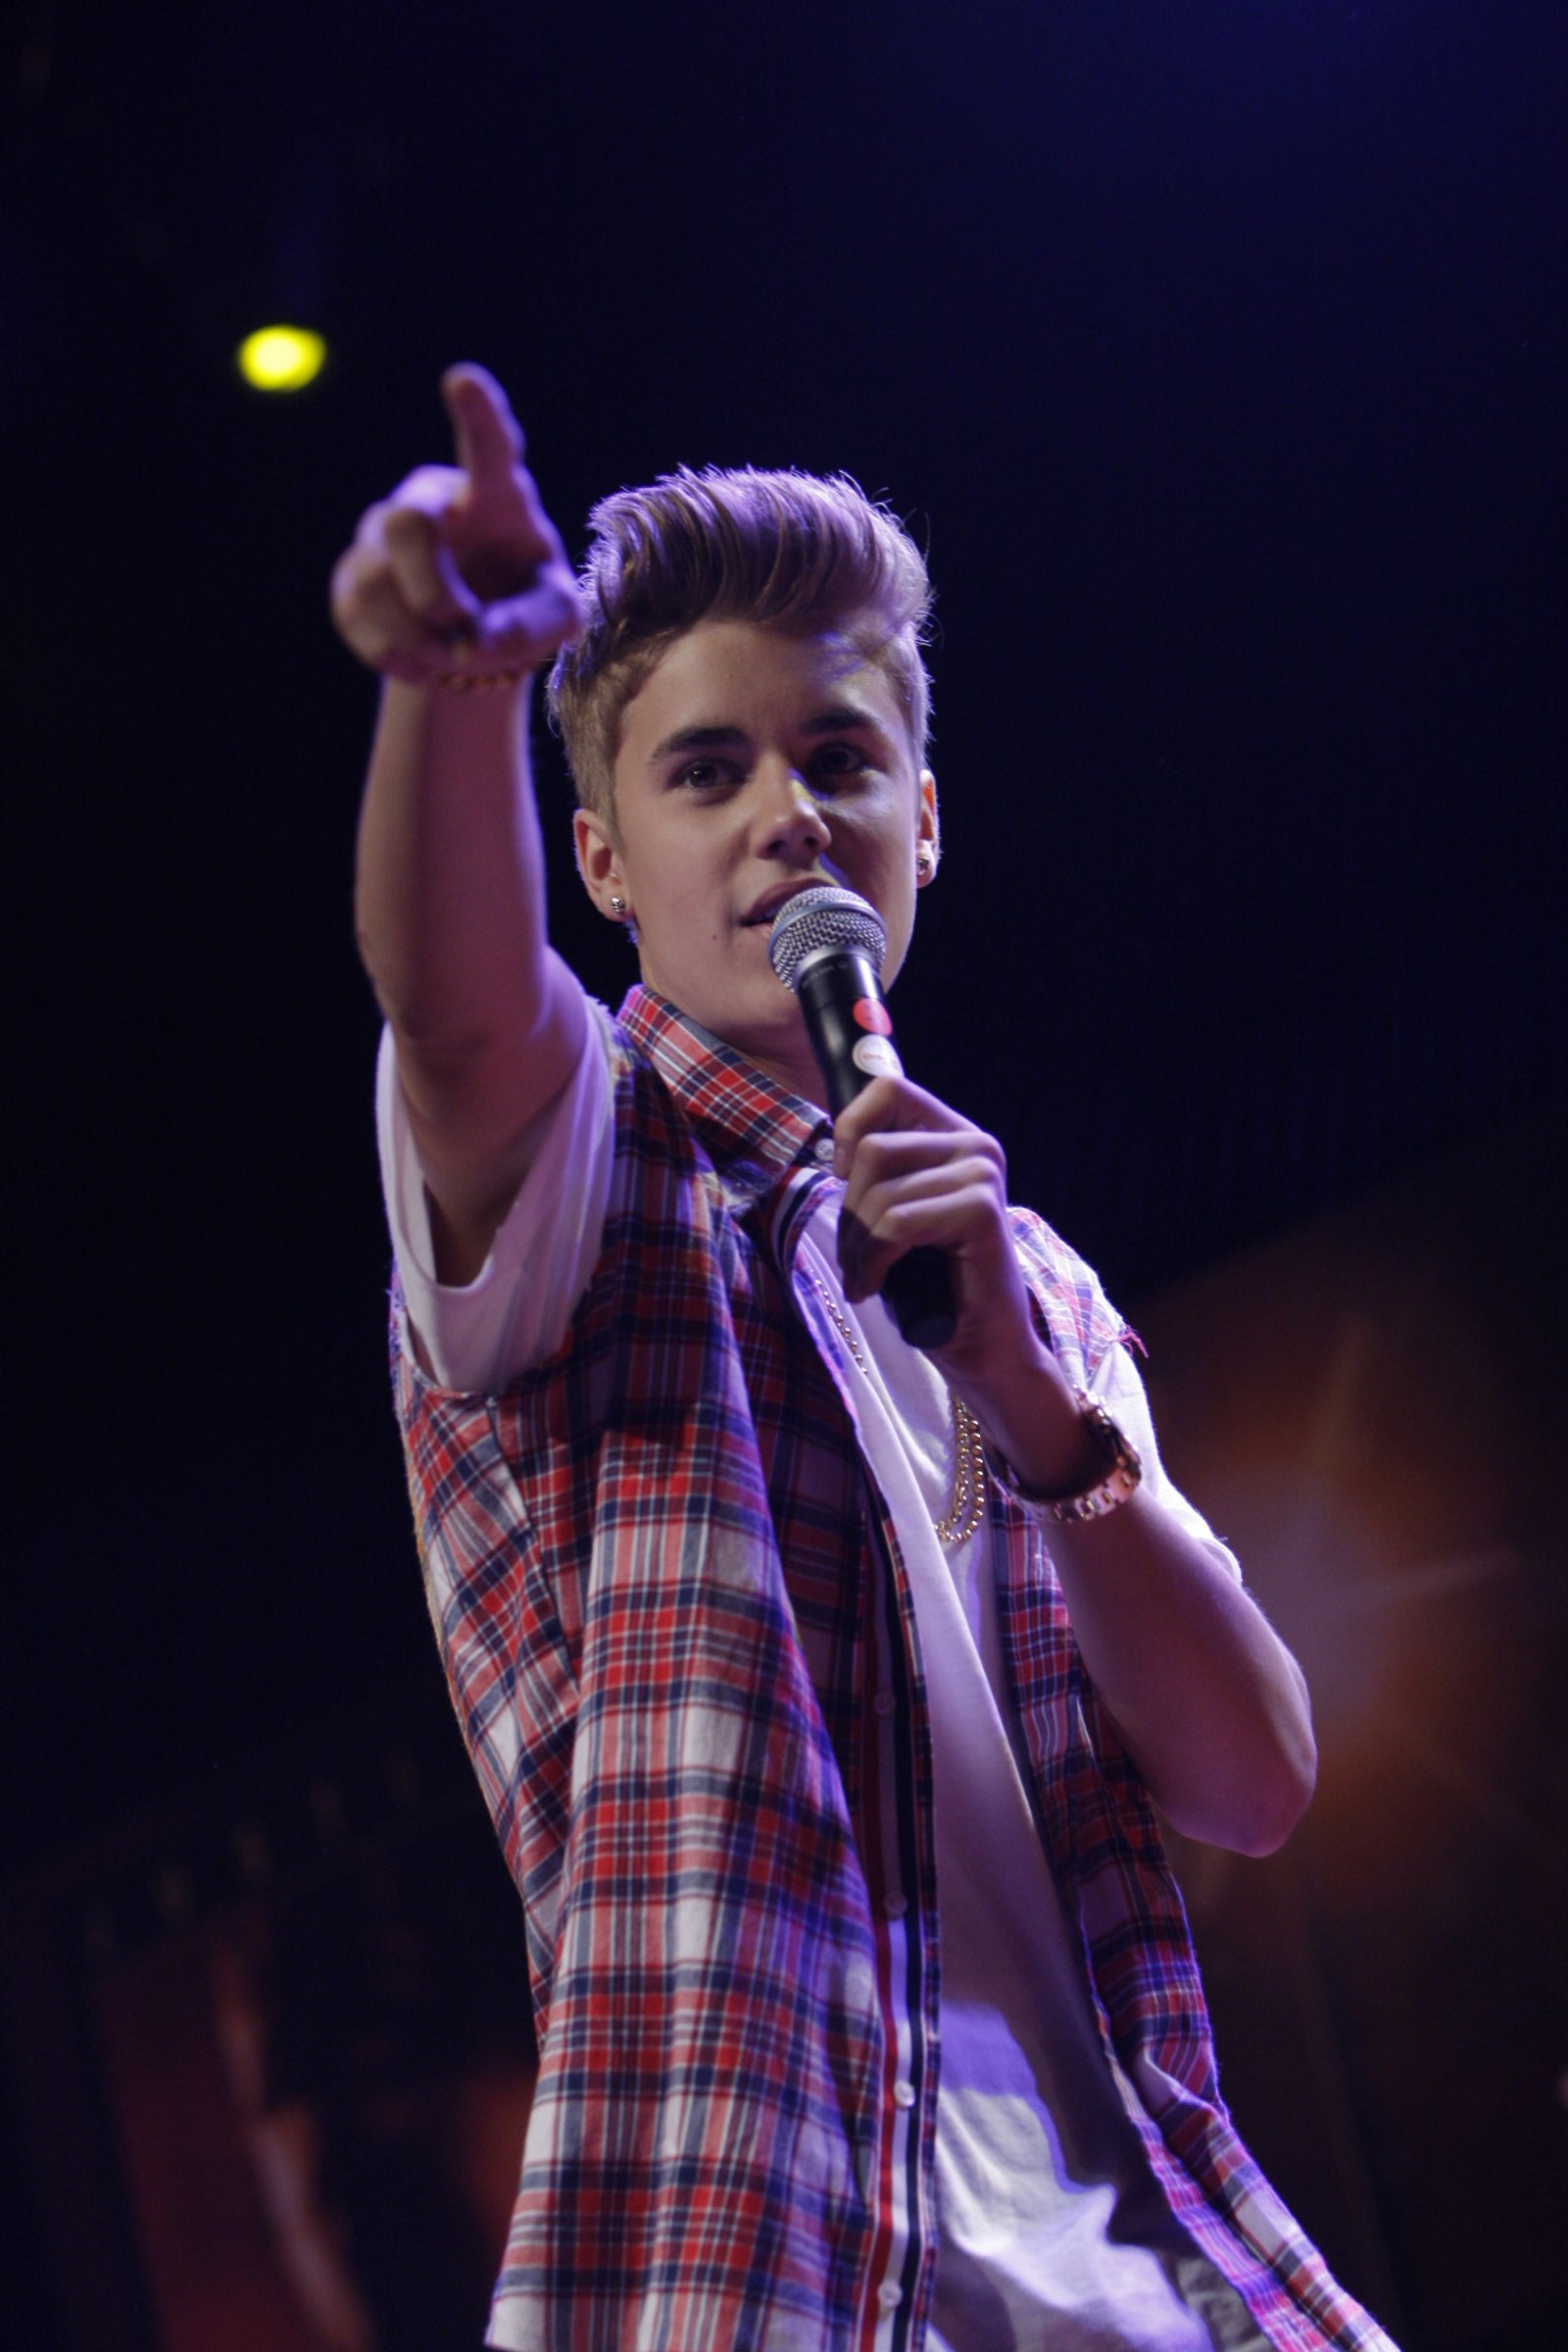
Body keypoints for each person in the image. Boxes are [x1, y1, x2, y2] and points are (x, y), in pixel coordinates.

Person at [332, 365, 1397, 2352]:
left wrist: (1026, 1393)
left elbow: (1252, 1779)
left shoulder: (1030, 1283)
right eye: (705, 771)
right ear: (601, 862)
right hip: (770, 2266)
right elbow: (459, 1017)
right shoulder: (585, 1172)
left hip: (1140, 2271)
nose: (786, 814)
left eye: (837, 756)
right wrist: (452, 684)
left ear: (924, 818)